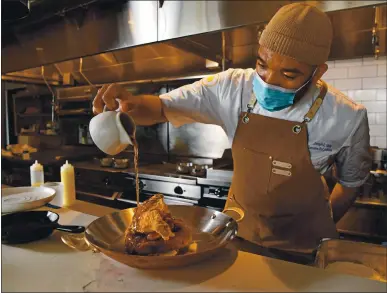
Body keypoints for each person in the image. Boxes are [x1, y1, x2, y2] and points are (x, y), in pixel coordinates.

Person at [93, 3, 372, 253]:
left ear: (318, 72)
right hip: (240, 239)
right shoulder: (232, 87)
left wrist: (316, 225)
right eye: (262, 65)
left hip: (306, 250)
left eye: (288, 74)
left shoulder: (346, 117)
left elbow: (350, 185)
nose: (269, 81)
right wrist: (129, 102)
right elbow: (159, 108)